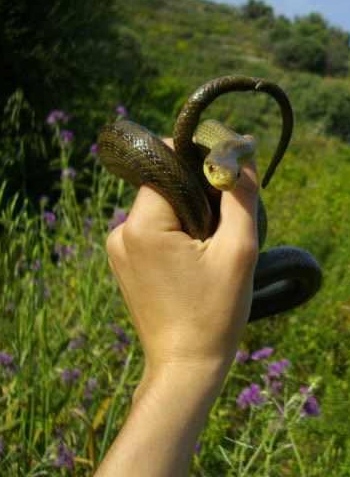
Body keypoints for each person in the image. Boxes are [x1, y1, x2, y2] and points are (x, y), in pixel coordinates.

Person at [94, 137, 259, 476]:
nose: (223, 181)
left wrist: (176, 366)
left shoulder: (228, 159)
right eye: (213, 170)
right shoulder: (226, 152)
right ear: (209, 163)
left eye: (232, 178)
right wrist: (185, 363)